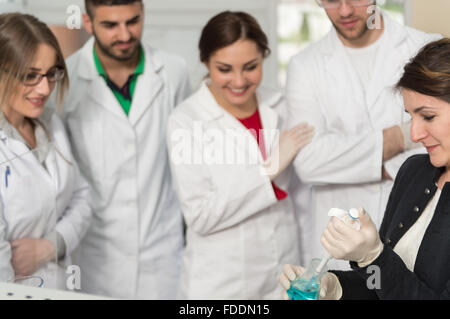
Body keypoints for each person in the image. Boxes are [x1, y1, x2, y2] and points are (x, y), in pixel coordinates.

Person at [280, 38, 450, 300]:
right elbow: (380, 288)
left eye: (427, 116)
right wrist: (334, 287)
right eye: (410, 116)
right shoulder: (416, 171)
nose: (414, 134)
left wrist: (374, 257)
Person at [167, 11, 315, 300]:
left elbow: (301, 198)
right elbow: (200, 216)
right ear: (206, 62)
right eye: (224, 69)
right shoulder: (185, 121)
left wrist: (309, 267)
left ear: (264, 58)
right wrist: (268, 169)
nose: (239, 81)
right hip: (222, 282)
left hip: (284, 269)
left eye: (250, 67)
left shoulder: (281, 106)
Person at [48, 0, 191, 299]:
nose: (125, 34)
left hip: (161, 248)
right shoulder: (64, 81)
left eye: (133, 21)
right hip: (96, 253)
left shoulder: (173, 72)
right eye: (110, 25)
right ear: (88, 23)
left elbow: (185, 159)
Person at [0, 13, 92, 289]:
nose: (45, 88)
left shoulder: (51, 123)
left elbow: (83, 198)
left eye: (51, 73)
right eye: (30, 76)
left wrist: (49, 246)